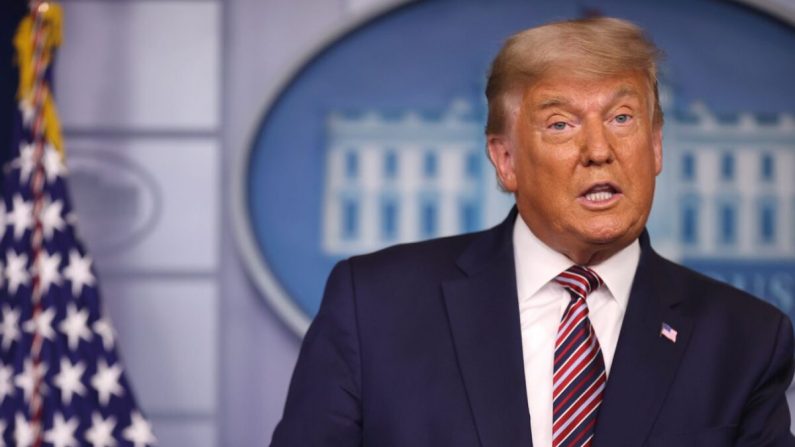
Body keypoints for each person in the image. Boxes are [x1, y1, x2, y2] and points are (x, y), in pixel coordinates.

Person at [270, 17, 795, 447]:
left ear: (656, 147)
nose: (598, 149)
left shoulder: (746, 339)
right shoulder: (375, 306)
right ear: (505, 161)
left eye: (622, 117)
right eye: (561, 123)